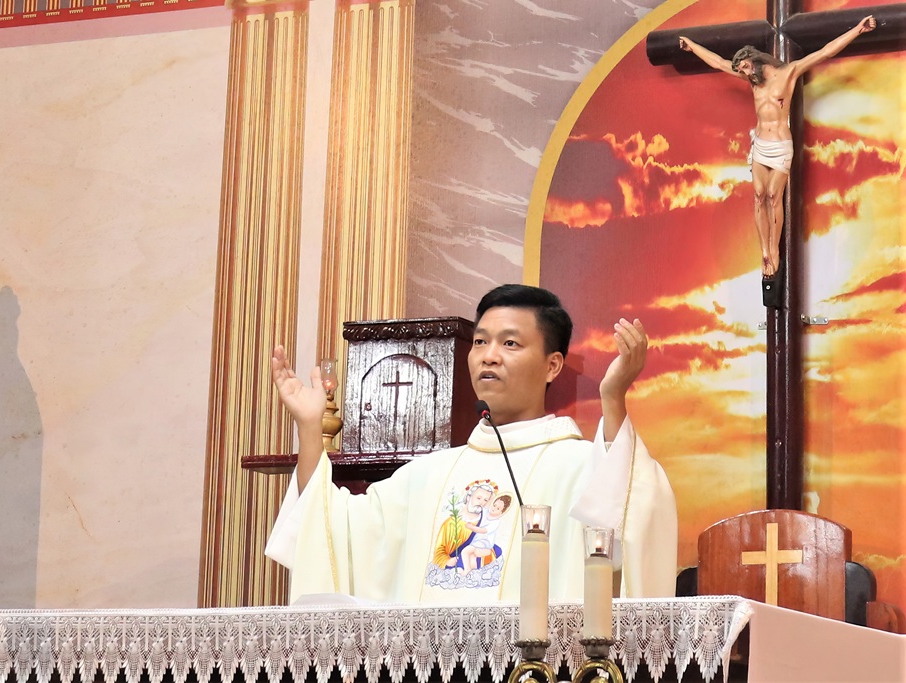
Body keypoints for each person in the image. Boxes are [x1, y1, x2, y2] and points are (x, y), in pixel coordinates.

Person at [266, 284, 677, 603]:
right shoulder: (427, 475)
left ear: (553, 365)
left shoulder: (580, 467)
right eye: (481, 342)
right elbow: (331, 529)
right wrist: (309, 428)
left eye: (510, 343)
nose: (488, 356)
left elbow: (633, 517)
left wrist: (613, 398)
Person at [679, 15, 876, 278]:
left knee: (773, 196)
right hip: (760, 143)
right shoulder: (751, 80)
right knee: (759, 195)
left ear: (755, 59)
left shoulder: (788, 73)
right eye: (742, 71)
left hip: (781, 144)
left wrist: (858, 29)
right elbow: (718, 62)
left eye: (746, 67)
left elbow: (825, 51)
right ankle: (765, 252)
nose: (745, 74)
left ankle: (775, 249)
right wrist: (692, 46)